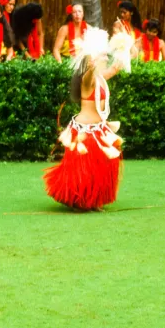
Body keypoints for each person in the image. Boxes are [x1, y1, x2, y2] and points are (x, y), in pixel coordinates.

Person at [44, 28, 128, 211]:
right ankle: (79, 200)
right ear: (93, 59)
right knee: (84, 169)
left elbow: (115, 67)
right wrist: (92, 61)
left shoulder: (100, 78)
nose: (106, 58)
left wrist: (124, 45)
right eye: (103, 56)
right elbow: (90, 73)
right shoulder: (88, 79)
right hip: (85, 132)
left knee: (102, 167)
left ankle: (93, 200)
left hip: (99, 129)